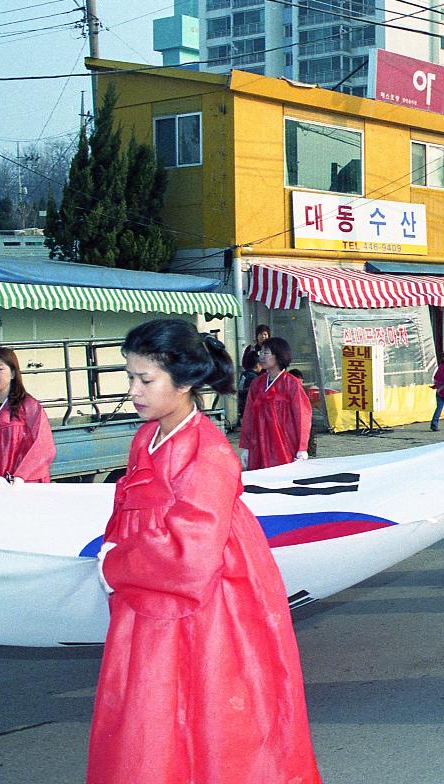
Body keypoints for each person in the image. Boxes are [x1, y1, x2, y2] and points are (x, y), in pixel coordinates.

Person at [87, 319, 320, 784]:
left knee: (204, 716)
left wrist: (115, 562)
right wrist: (117, 545)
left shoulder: (208, 454)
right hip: (147, 596)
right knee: (150, 715)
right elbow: (130, 511)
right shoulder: (145, 437)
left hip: (209, 604)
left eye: (145, 380)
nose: (133, 390)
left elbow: (188, 559)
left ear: (188, 381)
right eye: (129, 377)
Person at [0, 347, 56, 489]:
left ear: (13, 373)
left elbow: (42, 445)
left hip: (26, 485)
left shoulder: (29, 407)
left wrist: (20, 477)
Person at [238, 336, 312, 470]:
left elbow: (302, 416)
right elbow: (249, 416)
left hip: (284, 441)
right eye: (261, 352)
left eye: (266, 353)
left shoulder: (291, 383)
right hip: (259, 440)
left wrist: (302, 447)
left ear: (278, 356)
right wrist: (246, 447)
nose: (261, 356)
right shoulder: (257, 384)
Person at [236, 324, 270, 423]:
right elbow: (244, 363)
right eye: (260, 334)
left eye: (265, 334)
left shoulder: (272, 349)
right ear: (256, 336)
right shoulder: (251, 349)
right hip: (255, 377)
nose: (263, 337)